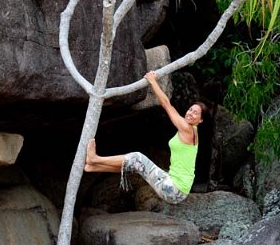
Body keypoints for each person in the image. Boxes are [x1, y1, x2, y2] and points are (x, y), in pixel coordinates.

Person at [85, 71, 209, 204]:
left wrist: (152, 81)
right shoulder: (192, 131)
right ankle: (94, 167)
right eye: (190, 109)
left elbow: (166, 104)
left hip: (174, 189)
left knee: (137, 158)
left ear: (200, 120)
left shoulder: (187, 129)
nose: (190, 113)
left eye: (195, 113)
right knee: (135, 166)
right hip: (177, 190)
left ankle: (94, 158)